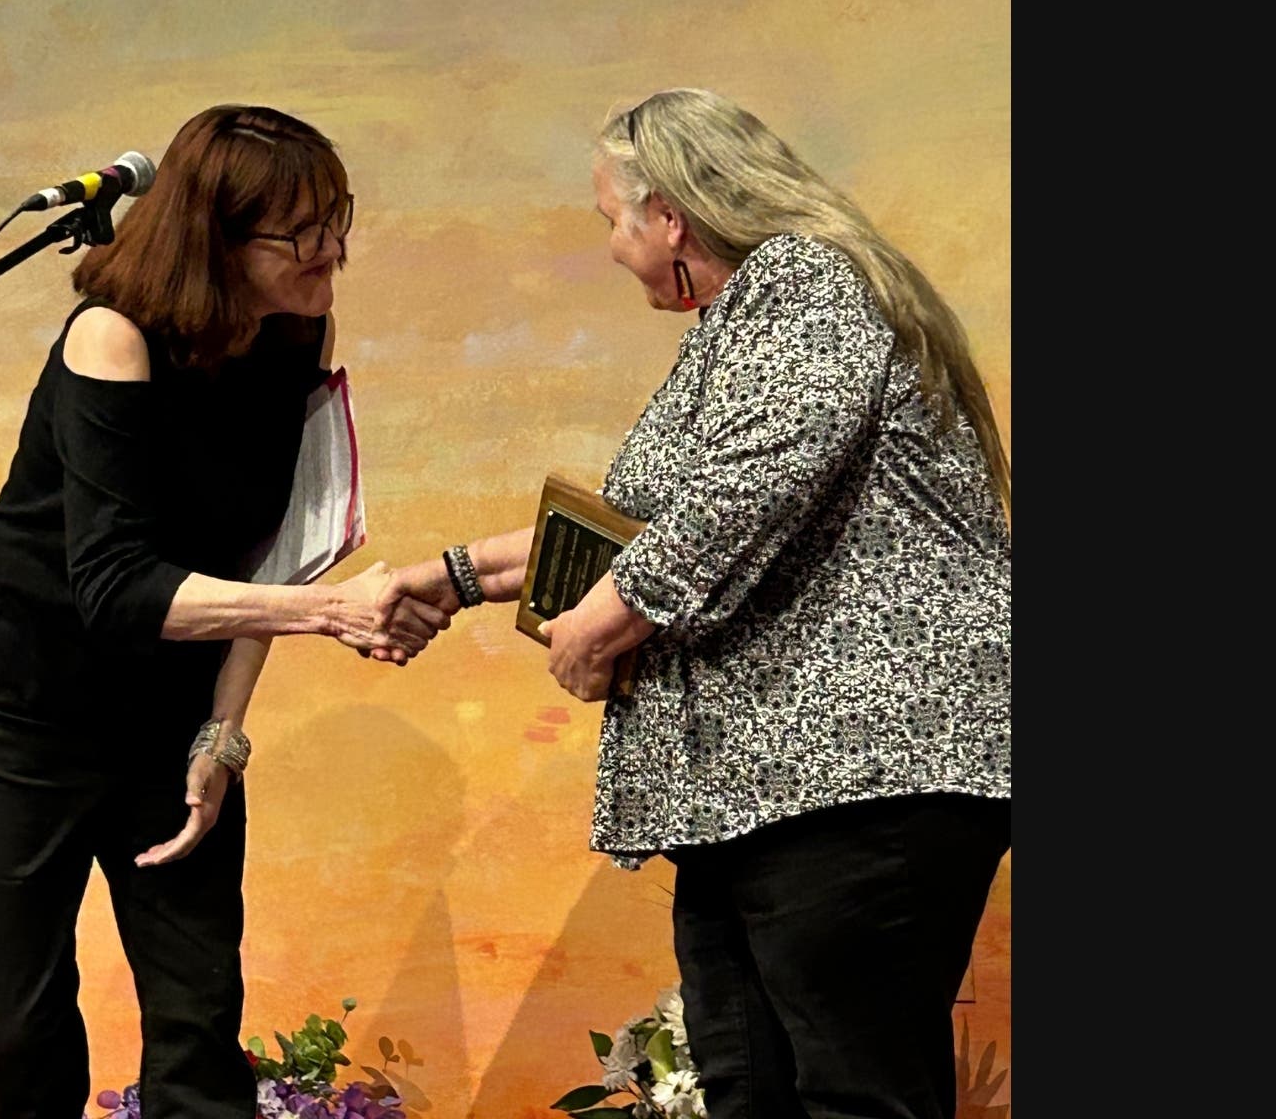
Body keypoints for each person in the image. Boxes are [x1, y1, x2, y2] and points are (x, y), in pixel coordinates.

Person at [378, 88, 1011, 1119]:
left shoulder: (805, 282)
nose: (615, 250)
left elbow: (749, 484)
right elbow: (635, 525)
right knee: (746, 1087)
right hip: (762, 789)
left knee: (852, 1096)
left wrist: (605, 621)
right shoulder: (739, 327)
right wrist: (450, 579)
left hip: (859, 770)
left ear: (667, 215)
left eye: (611, 223)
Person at [0, 104, 448, 1119]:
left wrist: (222, 734)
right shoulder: (113, 337)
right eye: (300, 233)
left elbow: (266, 556)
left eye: (338, 219)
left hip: (170, 716)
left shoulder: (300, 332)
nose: (331, 251)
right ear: (215, 237)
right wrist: (332, 613)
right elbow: (118, 582)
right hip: (21, 714)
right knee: (30, 1023)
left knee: (199, 1011)